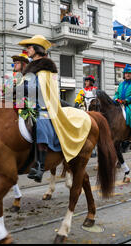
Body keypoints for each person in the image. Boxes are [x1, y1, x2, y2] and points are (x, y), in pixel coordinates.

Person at [18, 35, 91, 182]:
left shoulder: (46, 69)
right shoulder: (31, 68)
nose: (27, 50)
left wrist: (23, 89)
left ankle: (39, 165)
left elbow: (39, 89)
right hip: (29, 105)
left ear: (37, 49)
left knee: (39, 122)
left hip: (44, 107)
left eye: (29, 48)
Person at [113, 64, 131, 144]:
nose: (127, 74)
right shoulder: (121, 84)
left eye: (129, 73)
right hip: (120, 103)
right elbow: (117, 93)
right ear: (124, 74)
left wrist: (127, 100)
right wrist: (115, 99)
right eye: (126, 73)